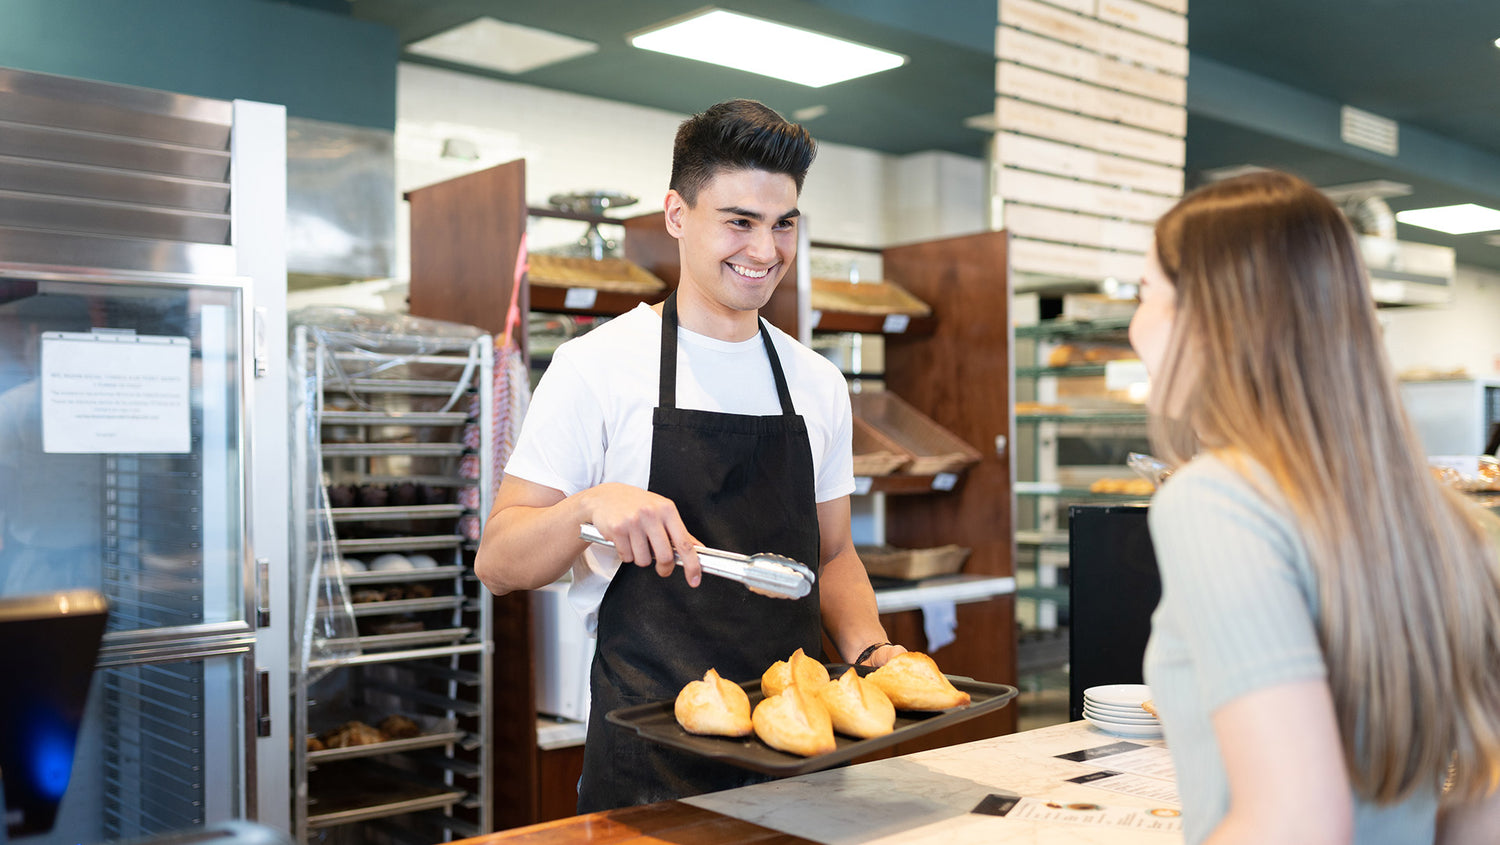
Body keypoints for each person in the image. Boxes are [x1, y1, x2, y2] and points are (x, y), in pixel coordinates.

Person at [474, 99, 904, 812]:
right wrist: (588, 508)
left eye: (783, 224)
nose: (765, 251)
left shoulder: (818, 383)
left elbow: (831, 556)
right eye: (739, 222)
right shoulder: (597, 367)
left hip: (802, 751)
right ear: (677, 214)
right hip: (650, 760)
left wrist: (872, 653)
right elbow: (497, 560)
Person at [1130, 170, 1500, 844]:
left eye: (1144, 293)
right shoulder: (1438, 518)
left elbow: (1295, 822)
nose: (1132, 327)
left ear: (1210, 319)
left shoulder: (1218, 498)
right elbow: (1485, 803)